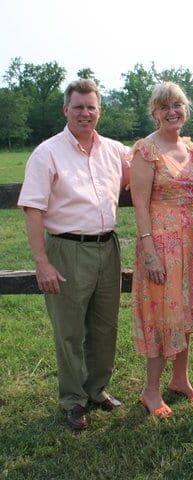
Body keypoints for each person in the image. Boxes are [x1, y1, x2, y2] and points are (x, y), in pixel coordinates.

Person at [17, 79, 130, 430]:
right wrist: (42, 262)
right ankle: (73, 400)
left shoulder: (114, 150)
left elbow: (146, 168)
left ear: (100, 110)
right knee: (68, 330)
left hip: (107, 248)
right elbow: (33, 209)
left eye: (91, 107)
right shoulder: (47, 152)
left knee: (104, 326)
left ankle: (97, 390)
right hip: (66, 249)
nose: (85, 113)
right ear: (66, 110)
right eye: (78, 107)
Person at [130, 82, 193, 418]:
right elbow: (139, 204)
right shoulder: (146, 150)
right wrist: (149, 250)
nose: (172, 111)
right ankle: (150, 390)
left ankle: (180, 380)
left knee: (187, 308)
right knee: (162, 314)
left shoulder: (192, 150)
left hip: (192, 240)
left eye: (177, 105)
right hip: (160, 242)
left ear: (185, 109)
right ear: (155, 112)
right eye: (164, 107)